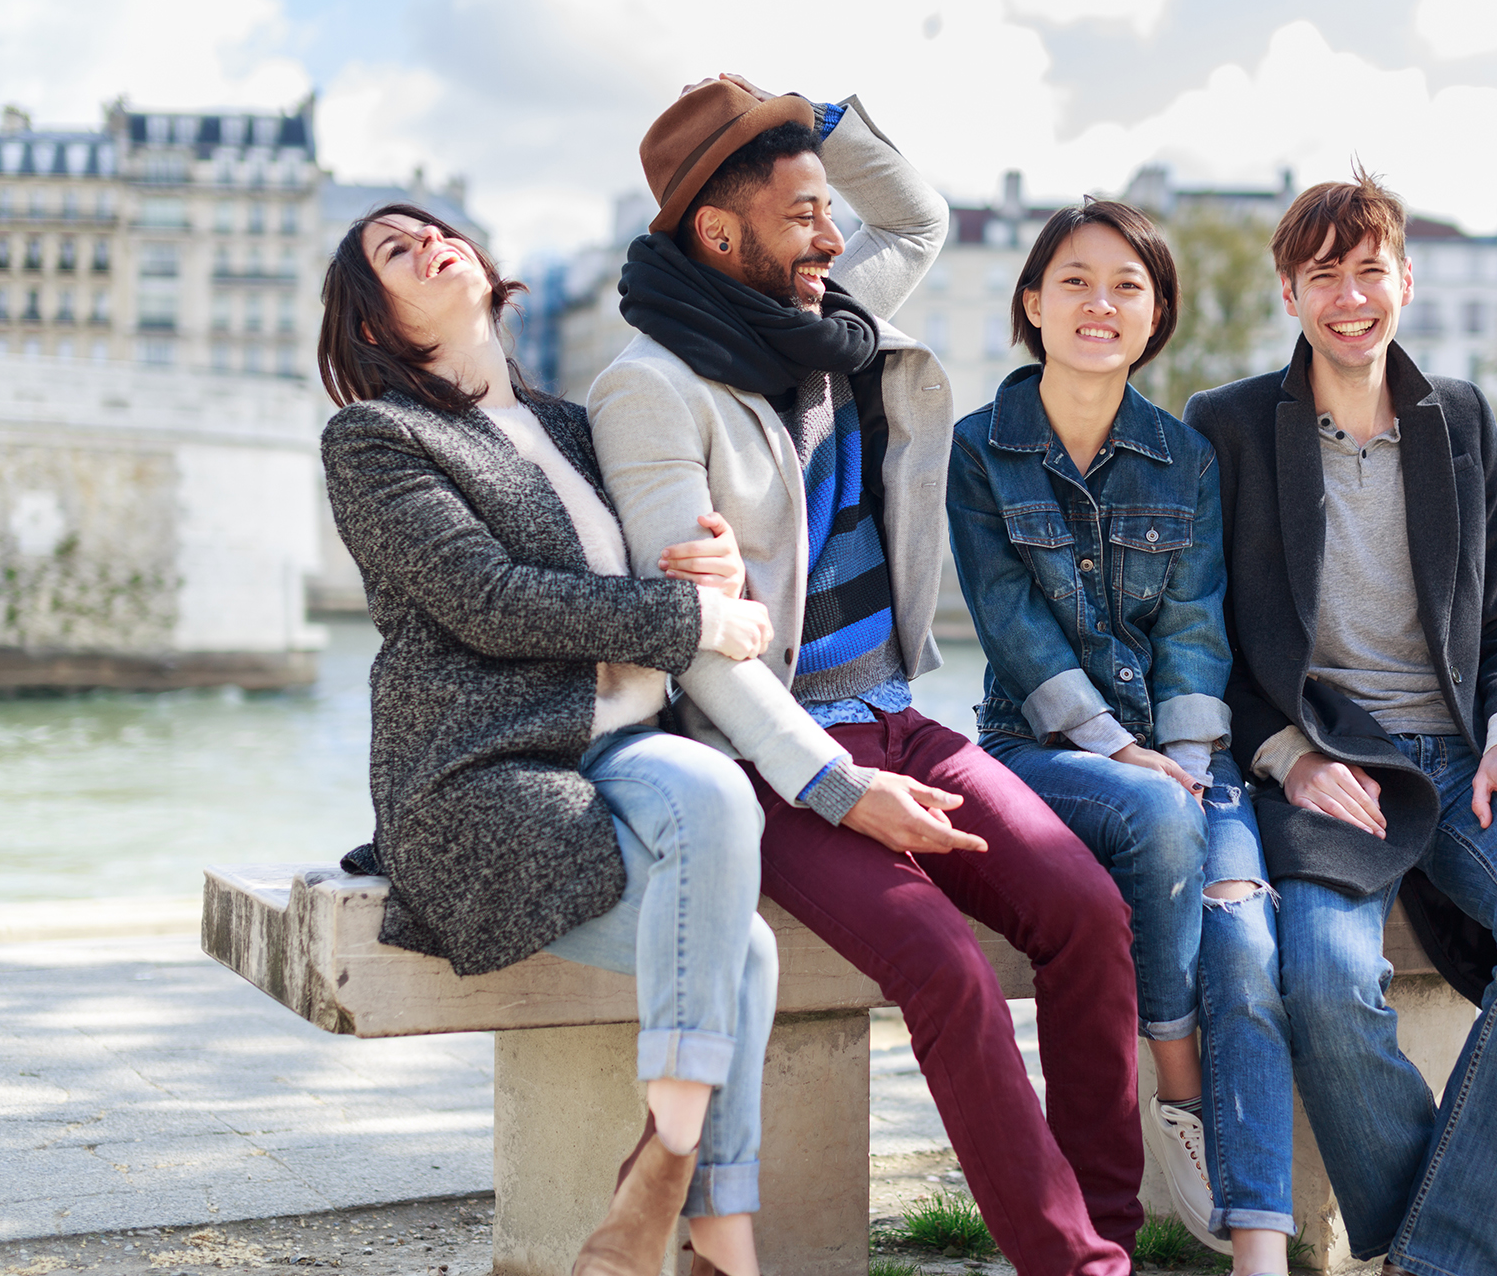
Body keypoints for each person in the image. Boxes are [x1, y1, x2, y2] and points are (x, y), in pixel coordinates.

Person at [589, 75, 1144, 1276]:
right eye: (802, 213)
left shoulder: (823, 314)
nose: (832, 236)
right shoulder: (649, 390)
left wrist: (806, 119)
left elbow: (921, 220)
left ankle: (1113, 1229)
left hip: (899, 713)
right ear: (723, 235)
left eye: (829, 210)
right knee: (946, 969)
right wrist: (839, 788)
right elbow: (701, 642)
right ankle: (1074, 1264)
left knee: (1090, 911)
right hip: (770, 761)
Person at [317, 203, 778, 1276]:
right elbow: (489, 600)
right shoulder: (380, 439)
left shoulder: (574, 424)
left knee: (717, 795)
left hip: (618, 750)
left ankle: (673, 1187)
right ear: (374, 321)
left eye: (435, 229)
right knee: (742, 948)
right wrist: (693, 622)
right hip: (488, 774)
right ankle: (705, 1217)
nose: (431, 243)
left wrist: (704, 571)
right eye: (396, 250)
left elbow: (642, 578)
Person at [1183, 171, 1497, 1276]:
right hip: (1334, 764)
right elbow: (1194, 640)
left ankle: (1431, 1258)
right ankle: (1444, 1247)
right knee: (1323, 981)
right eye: (1322, 273)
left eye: (1369, 268)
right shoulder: (1227, 427)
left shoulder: (1462, 419)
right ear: (1290, 292)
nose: (1349, 295)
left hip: (1470, 753)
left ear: (1405, 281)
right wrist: (1285, 751)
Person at [946, 200, 1292, 1276]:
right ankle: (1176, 1081)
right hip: (1042, 748)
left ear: (1157, 314)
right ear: (1032, 303)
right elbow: (1011, 624)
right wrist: (1118, 747)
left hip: (1185, 757)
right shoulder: (978, 449)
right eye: (1077, 281)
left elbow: (1197, 619)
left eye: (1127, 286)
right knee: (1147, 808)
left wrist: (1187, 760)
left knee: (1246, 938)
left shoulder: (1183, 454)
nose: (1101, 304)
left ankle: (1256, 1243)